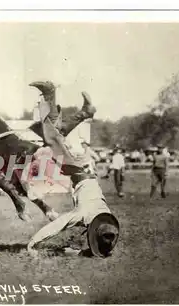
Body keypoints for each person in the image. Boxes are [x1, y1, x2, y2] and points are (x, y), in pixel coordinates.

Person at [24, 81, 119, 257]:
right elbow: (57, 225)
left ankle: (83, 112)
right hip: (78, 171)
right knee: (52, 137)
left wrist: (70, 252)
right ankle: (50, 95)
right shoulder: (83, 215)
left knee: (54, 134)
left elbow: (92, 250)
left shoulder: (107, 219)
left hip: (86, 173)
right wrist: (34, 242)